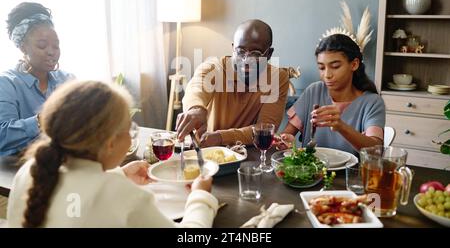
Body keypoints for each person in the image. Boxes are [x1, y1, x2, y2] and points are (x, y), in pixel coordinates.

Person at [7, 80, 218, 227]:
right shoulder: (123, 195)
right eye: (130, 129)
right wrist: (201, 196)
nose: (132, 135)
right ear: (109, 143)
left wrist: (119, 174)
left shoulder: (30, 170)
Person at [176, 19, 289, 147]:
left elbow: (265, 129)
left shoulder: (278, 78)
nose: (246, 60)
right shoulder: (214, 68)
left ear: (269, 54)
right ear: (232, 48)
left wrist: (221, 137)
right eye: (240, 52)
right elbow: (196, 87)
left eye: (256, 53)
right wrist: (195, 109)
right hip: (211, 152)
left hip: (251, 155)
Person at [275, 34, 385, 155]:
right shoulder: (314, 91)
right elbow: (288, 133)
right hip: (310, 171)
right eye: (322, 68)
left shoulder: (372, 102)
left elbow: (375, 150)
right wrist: (286, 140)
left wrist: (341, 126)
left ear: (354, 64)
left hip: (351, 173)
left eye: (335, 66)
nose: (327, 74)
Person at [0, 2, 73, 156]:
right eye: (42, 46)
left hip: (64, 163)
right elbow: (2, 136)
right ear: (23, 47)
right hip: (17, 170)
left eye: (56, 46)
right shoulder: (6, 84)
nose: (51, 52)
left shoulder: (67, 80)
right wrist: (43, 119)